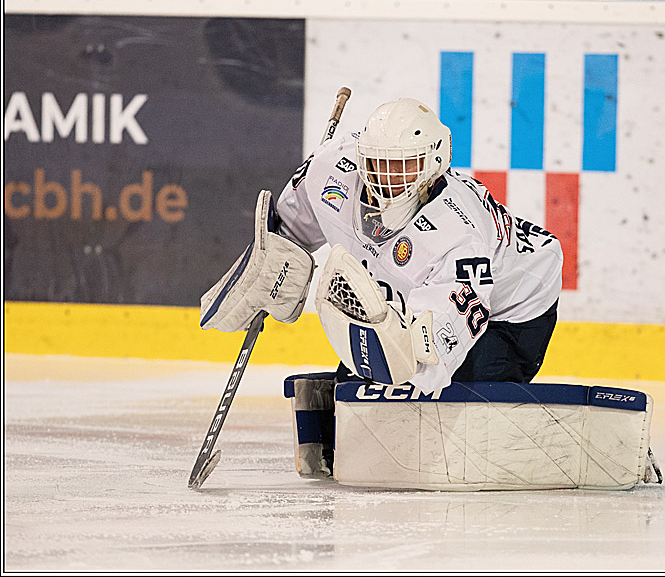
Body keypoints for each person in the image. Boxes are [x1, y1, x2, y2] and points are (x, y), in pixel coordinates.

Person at [200, 97, 563, 395]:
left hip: (514, 309)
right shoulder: (332, 166)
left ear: (434, 163)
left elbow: (431, 356)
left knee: (441, 399)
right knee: (361, 391)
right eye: (376, 163)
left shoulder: (458, 237)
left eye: (401, 166)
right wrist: (274, 263)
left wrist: (402, 364)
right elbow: (294, 224)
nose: (383, 177)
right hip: (418, 292)